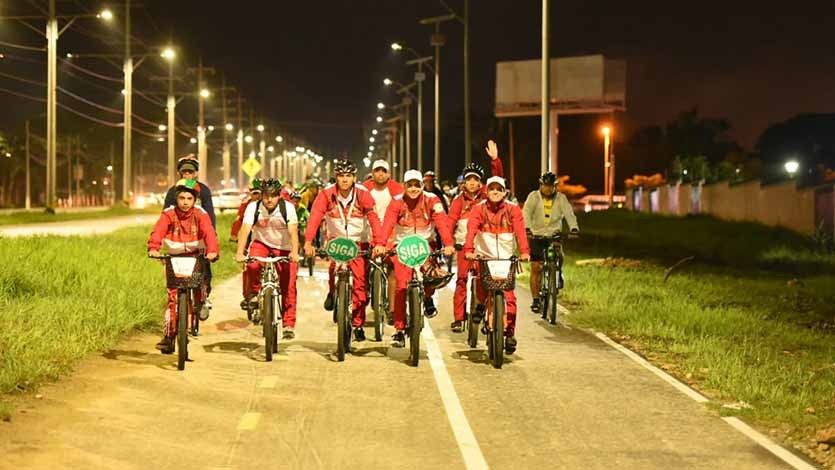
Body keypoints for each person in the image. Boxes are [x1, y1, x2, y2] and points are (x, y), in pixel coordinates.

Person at [303, 159, 384, 342]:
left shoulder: (363, 194)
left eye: (348, 176)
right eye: (341, 176)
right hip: (336, 242)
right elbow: (315, 217)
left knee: (360, 286)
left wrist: (378, 242)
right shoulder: (326, 194)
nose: (345, 179)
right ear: (336, 177)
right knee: (333, 270)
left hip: (358, 243)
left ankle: (358, 324)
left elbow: (374, 219)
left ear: (354, 177)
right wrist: (308, 242)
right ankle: (333, 292)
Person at [381, 170, 455, 348]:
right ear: (404, 186)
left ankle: (428, 298)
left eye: (417, 185)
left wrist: (448, 244)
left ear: (422, 185)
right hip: (403, 247)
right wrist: (381, 243)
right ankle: (399, 330)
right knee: (401, 286)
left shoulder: (432, 200)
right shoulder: (396, 201)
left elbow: (442, 223)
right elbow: (388, 223)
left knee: (431, 279)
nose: (413, 189)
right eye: (410, 185)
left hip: (425, 246)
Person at [148, 179, 218, 354]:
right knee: (173, 299)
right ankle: (169, 337)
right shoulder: (168, 214)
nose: (185, 202)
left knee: (199, 284)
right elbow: (158, 231)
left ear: (195, 200)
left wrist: (212, 251)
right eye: (181, 198)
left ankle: (201, 301)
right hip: (174, 257)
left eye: (189, 198)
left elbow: (209, 233)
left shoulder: (201, 214)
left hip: (196, 255)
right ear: (176, 199)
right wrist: (153, 248)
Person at [463, 176, 530, 354]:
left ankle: (509, 334)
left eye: (499, 189)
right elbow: (471, 230)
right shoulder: (478, 209)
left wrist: (524, 252)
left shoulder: (513, 209)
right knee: (482, 285)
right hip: (485, 256)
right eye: (492, 189)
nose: (495, 192)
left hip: (505, 259)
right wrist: (469, 250)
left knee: (510, 299)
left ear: (504, 192)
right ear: (486, 191)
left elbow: (520, 232)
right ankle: (479, 305)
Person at [234, 178, 300, 339]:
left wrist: (295, 252)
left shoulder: (288, 208)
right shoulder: (253, 207)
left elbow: (293, 231)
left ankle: (288, 324)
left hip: (284, 248)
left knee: (288, 285)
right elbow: (245, 229)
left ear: (279, 196)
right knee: (252, 266)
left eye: (273, 196)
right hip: (261, 244)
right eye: (266, 196)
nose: (269, 199)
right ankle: (255, 294)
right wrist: (240, 252)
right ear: (262, 196)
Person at [522, 171, 579, 313]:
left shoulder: (561, 198)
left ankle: (558, 273)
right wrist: (527, 228)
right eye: (546, 185)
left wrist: (574, 228)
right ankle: (536, 300)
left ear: (555, 186)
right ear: (541, 185)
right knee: (536, 267)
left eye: (551, 186)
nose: (548, 188)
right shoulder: (533, 197)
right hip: (536, 235)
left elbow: (569, 214)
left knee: (559, 253)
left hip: (554, 234)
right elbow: (526, 213)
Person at [447, 163, 486, 332]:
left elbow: (499, 179)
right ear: (463, 183)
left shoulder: (487, 197)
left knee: (485, 280)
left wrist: (495, 161)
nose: (471, 182)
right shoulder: (457, 201)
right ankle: (458, 318)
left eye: (475, 179)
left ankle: (482, 309)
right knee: (461, 280)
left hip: (484, 247)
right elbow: (450, 222)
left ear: (480, 183)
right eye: (468, 179)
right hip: (463, 245)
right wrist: (449, 243)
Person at [362, 159, 403, 324]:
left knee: (393, 270)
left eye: (383, 171)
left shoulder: (396, 188)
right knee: (363, 269)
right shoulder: (365, 188)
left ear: (388, 174)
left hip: (390, 233)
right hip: (369, 231)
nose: (380, 174)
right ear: (372, 173)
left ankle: (392, 309)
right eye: (377, 171)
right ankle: (361, 303)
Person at [163, 155, 216, 228]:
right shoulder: (173, 191)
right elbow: (166, 215)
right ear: (179, 173)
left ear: (195, 174)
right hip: (178, 230)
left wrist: (212, 233)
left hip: (198, 229)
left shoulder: (203, 190)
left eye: (190, 172)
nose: (187, 174)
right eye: (184, 171)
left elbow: (209, 213)